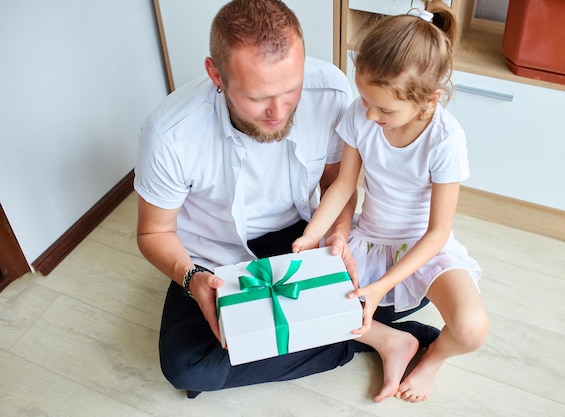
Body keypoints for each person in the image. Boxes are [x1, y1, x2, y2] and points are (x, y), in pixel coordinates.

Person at [134, 0, 439, 400]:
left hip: (302, 235)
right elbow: (154, 231)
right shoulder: (170, 133)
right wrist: (192, 279)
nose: (278, 112)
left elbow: (337, 187)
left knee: (418, 279)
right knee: (185, 365)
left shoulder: (329, 90)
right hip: (214, 257)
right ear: (216, 75)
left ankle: (348, 325)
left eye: (291, 89)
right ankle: (376, 336)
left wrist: (339, 236)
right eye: (258, 97)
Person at [293, 1, 490, 403]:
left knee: (472, 329)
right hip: (369, 236)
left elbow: (437, 234)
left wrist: (383, 286)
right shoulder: (361, 115)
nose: (369, 115)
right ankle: (394, 343)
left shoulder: (445, 140)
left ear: (430, 100)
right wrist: (311, 235)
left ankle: (432, 358)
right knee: (303, 304)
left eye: (384, 108)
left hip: (423, 247)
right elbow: (344, 185)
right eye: (365, 100)